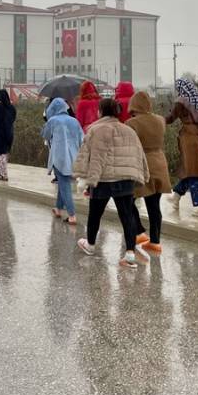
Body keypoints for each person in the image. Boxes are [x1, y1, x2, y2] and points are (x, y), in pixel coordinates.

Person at [74, 97, 150, 268]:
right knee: (127, 216)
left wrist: (88, 179)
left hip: (104, 179)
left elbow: (94, 158)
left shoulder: (95, 130)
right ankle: (130, 254)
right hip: (125, 180)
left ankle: (91, 244)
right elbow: (139, 154)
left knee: (95, 214)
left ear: (100, 111)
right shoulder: (128, 130)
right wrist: (143, 175)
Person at [126, 90, 171, 254]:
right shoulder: (160, 120)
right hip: (160, 163)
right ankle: (155, 242)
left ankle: (139, 231)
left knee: (128, 200)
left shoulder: (132, 123)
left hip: (142, 164)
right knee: (154, 206)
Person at [166, 78, 198, 216]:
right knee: (192, 167)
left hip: (189, 136)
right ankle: (176, 196)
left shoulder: (181, 101)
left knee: (194, 170)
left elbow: (170, 118)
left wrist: (157, 120)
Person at [41, 97, 84, 225]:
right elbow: (82, 138)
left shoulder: (53, 120)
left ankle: (72, 215)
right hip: (73, 156)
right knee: (63, 182)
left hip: (58, 157)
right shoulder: (74, 121)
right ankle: (58, 209)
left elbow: (45, 135)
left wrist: (44, 127)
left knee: (64, 184)